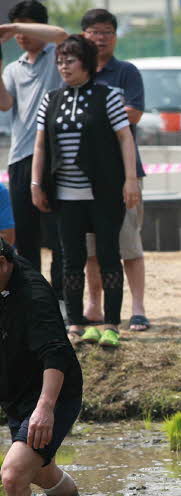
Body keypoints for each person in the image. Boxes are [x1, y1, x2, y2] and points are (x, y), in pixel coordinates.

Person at [31, 34, 140, 348]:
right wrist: (36, 184)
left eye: (71, 60)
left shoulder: (107, 95)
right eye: (60, 61)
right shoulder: (51, 99)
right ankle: (75, 322)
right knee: (71, 259)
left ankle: (111, 324)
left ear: (87, 63)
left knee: (108, 256)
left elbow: (125, 137)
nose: (64, 67)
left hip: (104, 193)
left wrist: (130, 179)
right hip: (65, 195)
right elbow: (40, 144)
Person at [0, 237, 89, 496]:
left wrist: (45, 407)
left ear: (3, 263)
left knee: (13, 476)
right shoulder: (4, 279)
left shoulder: (34, 295)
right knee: (41, 471)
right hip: (17, 392)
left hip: (53, 395)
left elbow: (56, 352)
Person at [80, 8, 149, 332]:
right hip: (85, 175)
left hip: (125, 173)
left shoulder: (127, 72)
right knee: (91, 248)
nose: (101, 37)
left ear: (115, 36)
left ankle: (138, 308)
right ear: (84, 36)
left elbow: (133, 114)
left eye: (107, 31)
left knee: (129, 244)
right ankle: (92, 306)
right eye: (95, 31)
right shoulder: (78, 73)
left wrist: (95, 113)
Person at [0, 2, 67, 308]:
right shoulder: (13, 68)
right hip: (20, 158)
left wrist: (15, 27)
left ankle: (63, 297)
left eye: (25, 28)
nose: (20, 36)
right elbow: (5, 105)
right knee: (25, 236)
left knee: (58, 235)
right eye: (15, 29)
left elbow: (61, 35)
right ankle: (32, 299)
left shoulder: (57, 58)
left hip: (55, 158)